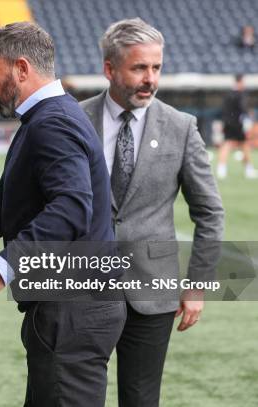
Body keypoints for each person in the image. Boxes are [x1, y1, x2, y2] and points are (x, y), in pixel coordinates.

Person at [0, 22, 126, 406]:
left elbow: (71, 208)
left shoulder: (52, 122)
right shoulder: (49, 117)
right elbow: (2, 206)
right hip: (67, 308)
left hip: (73, 310)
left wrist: (1, 268)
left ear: (21, 68)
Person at [80, 18, 225, 407]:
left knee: (141, 399)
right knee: (73, 395)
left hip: (152, 290)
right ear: (110, 68)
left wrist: (197, 286)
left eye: (156, 67)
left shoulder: (181, 127)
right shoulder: (74, 119)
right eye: (139, 68)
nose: (150, 78)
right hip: (79, 284)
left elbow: (210, 212)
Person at [217, 73, 256, 179]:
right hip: (237, 123)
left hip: (227, 122)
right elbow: (243, 108)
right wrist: (249, 114)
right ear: (240, 81)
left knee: (228, 144)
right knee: (243, 145)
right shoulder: (240, 94)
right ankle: (249, 170)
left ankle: (222, 169)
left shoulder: (228, 94)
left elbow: (223, 109)